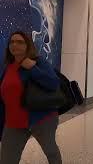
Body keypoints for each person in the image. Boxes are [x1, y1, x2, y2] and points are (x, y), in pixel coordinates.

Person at [0, 31, 62, 164]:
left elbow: (54, 83)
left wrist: (33, 68)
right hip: (13, 123)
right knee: (7, 159)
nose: (14, 45)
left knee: (51, 151)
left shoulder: (38, 62)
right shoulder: (8, 67)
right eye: (12, 42)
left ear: (28, 45)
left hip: (41, 119)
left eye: (20, 42)